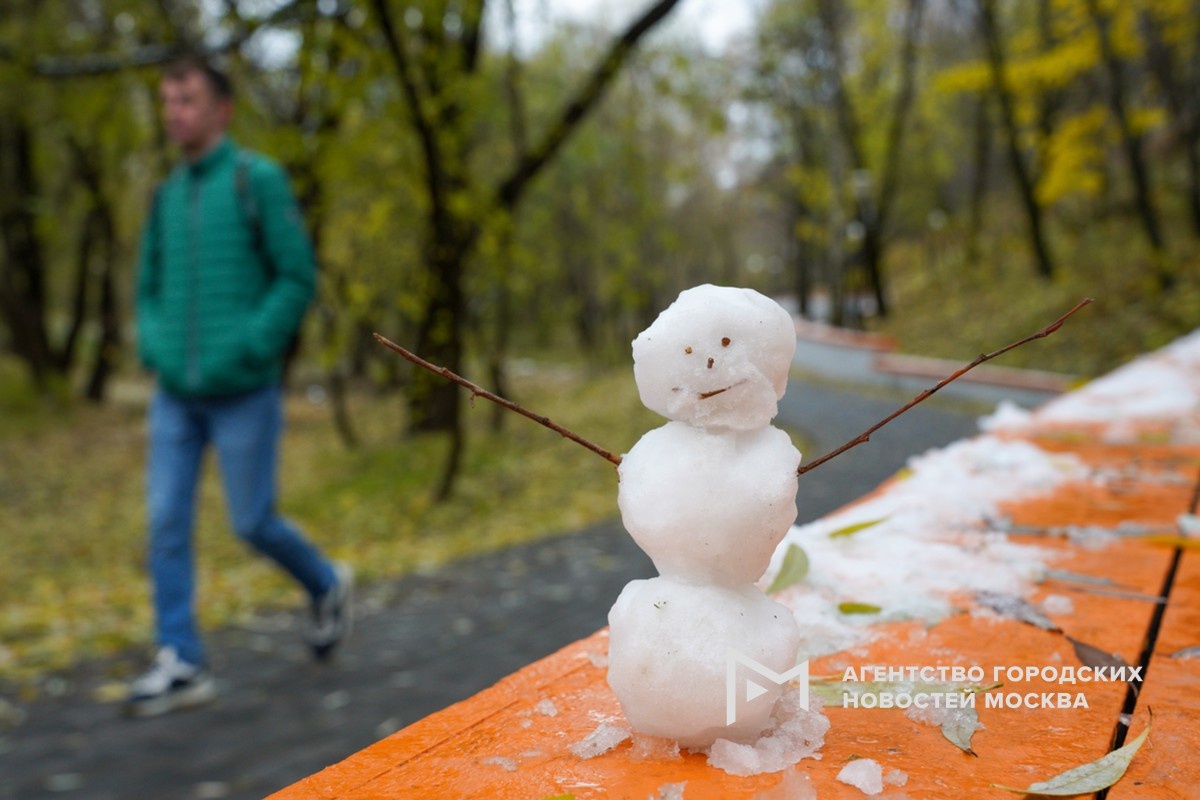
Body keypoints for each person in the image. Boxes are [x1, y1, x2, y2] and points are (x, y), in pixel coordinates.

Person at [127, 54, 352, 718]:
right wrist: (154, 343)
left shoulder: (260, 181)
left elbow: (296, 276)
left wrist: (252, 344)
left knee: (251, 520)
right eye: (168, 100)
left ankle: (324, 582)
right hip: (177, 393)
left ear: (221, 109)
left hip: (244, 390)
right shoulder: (167, 195)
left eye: (188, 100)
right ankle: (181, 658)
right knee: (165, 520)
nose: (175, 112)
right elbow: (146, 287)